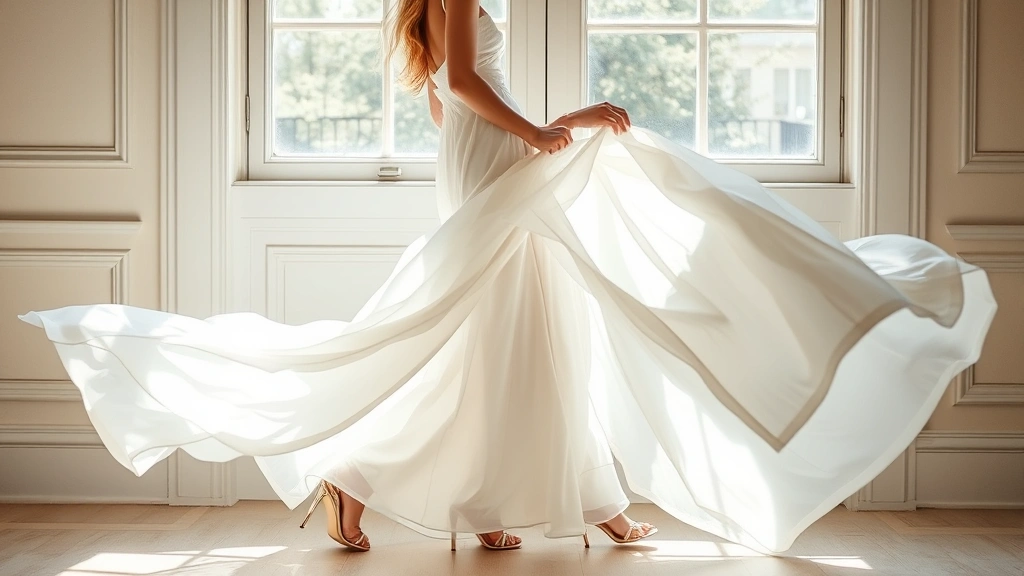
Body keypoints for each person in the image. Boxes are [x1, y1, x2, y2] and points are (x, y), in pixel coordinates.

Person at [21, 0, 995, 557]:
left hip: (487, 163)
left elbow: (457, 103)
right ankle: (393, 483)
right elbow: (463, 86)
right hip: (494, 158)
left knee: (516, 324)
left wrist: (541, 134)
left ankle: (504, 498)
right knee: (493, 321)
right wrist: (543, 133)